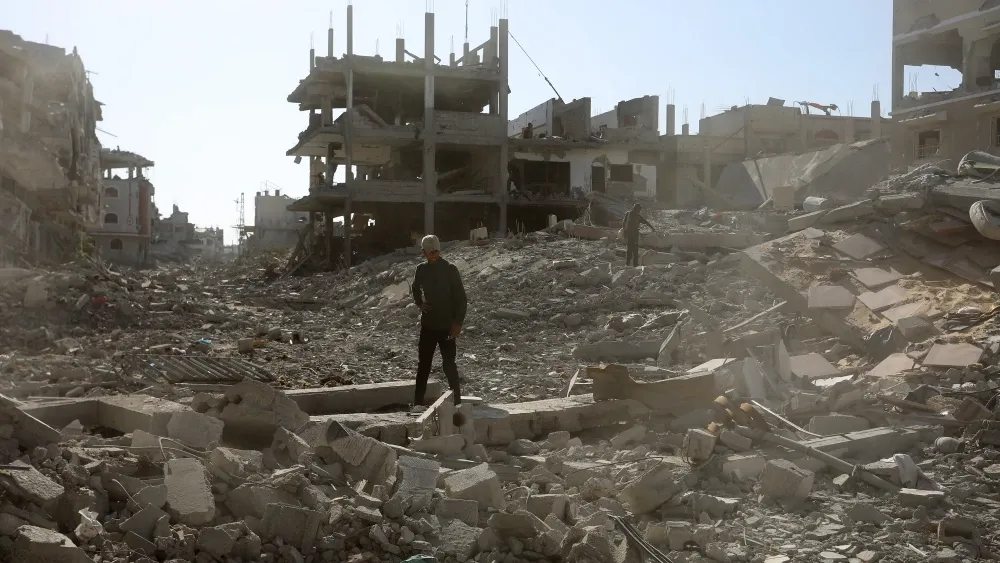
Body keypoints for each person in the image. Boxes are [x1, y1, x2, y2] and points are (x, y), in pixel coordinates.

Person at [411, 234, 467, 408]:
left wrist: (458, 323)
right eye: (430, 252)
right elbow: (414, 287)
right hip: (428, 326)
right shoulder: (421, 269)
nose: (433, 255)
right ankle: (418, 403)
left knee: (449, 365)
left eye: (436, 251)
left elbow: (461, 299)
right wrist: (420, 303)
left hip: (446, 327)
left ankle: (456, 402)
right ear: (423, 253)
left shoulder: (450, 269)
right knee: (424, 365)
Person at [622, 203, 656, 267]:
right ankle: (630, 264)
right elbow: (624, 223)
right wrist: (625, 233)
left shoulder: (635, 215)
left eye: (639, 211)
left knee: (633, 250)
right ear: (635, 209)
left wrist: (652, 228)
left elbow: (645, 222)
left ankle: (633, 264)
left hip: (633, 235)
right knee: (631, 250)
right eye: (638, 210)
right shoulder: (630, 214)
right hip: (630, 235)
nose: (639, 212)